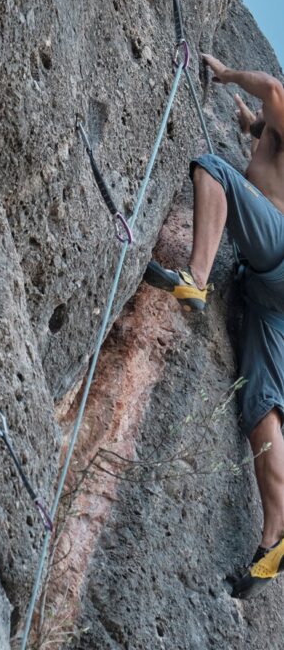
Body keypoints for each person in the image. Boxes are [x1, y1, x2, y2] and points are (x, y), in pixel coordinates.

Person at [144, 53, 284, 599]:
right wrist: (253, 126)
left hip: (276, 255)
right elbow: (271, 127)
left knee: (212, 167)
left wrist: (225, 74)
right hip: (270, 291)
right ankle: (274, 537)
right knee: (262, 404)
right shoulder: (273, 128)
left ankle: (195, 278)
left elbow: (273, 87)